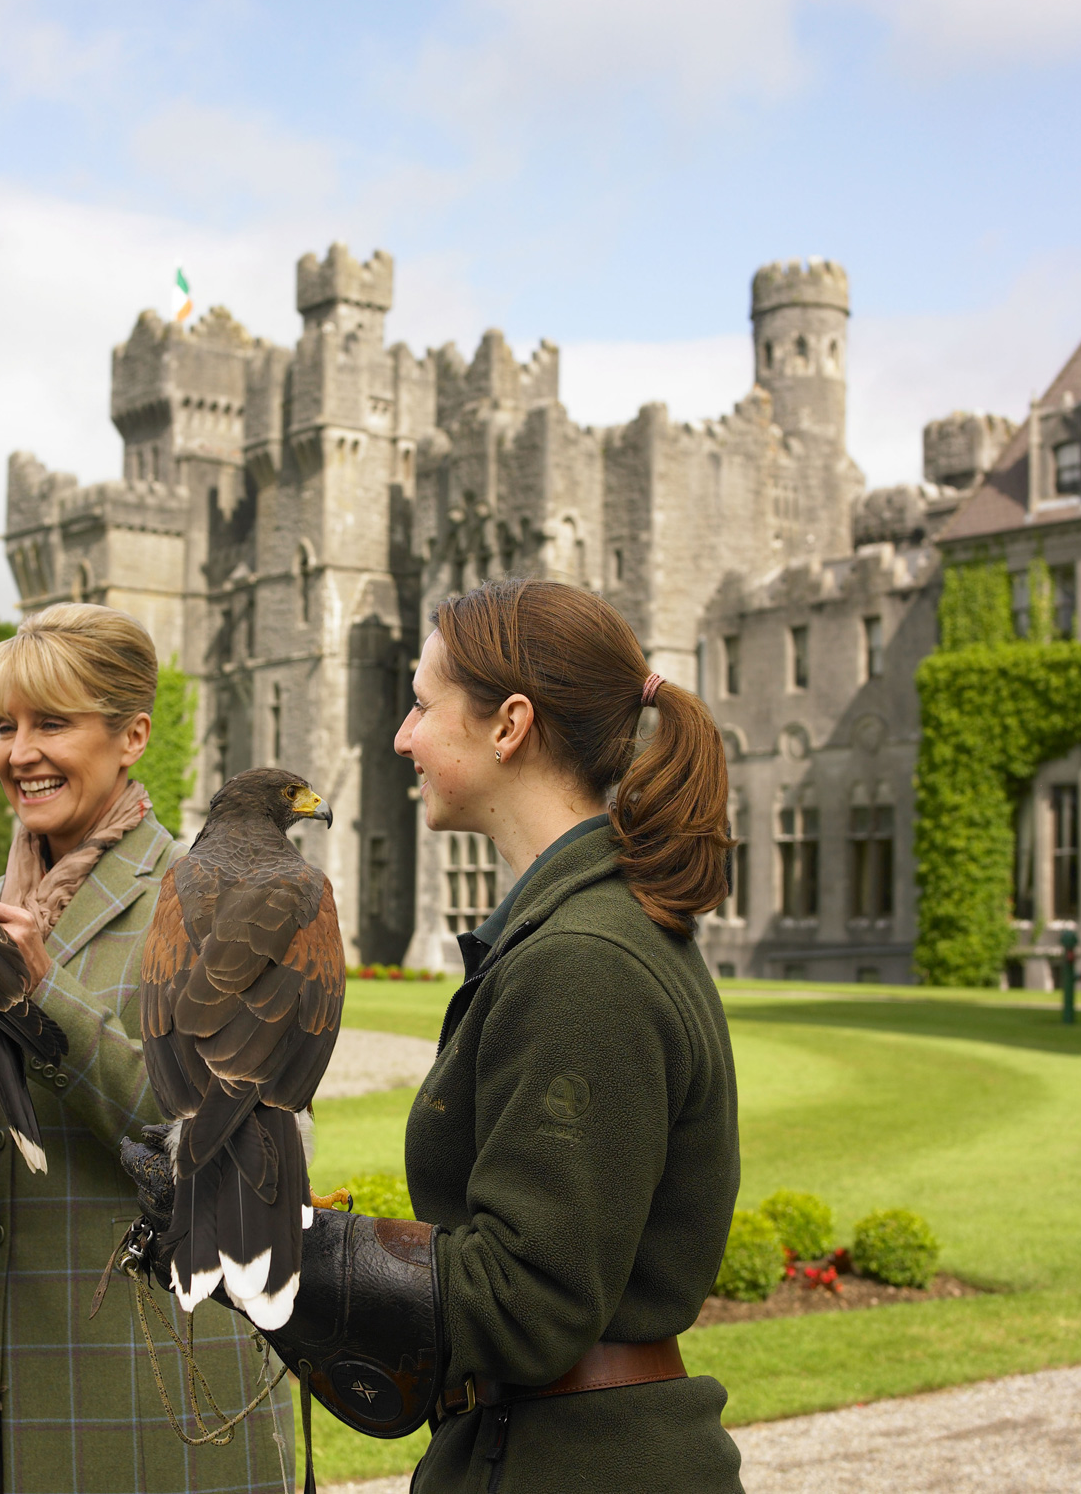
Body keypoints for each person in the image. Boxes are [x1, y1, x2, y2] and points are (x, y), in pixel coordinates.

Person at [0, 603, 293, 1494]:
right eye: (6, 726)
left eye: (53, 723)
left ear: (132, 737)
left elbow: (227, 1140)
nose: (20, 751)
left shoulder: (225, 899)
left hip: (156, 1389)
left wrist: (41, 999)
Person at [390, 578, 744, 1492]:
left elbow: (525, 1300)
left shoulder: (583, 959)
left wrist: (285, 1255)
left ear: (509, 725)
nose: (404, 736)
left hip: (579, 1464)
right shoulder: (581, 927)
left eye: (423, 705)